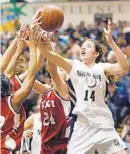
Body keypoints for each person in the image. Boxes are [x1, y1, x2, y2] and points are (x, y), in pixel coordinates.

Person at [35, 17, 129, 154]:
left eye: (88, 46)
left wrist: (111, 43)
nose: (84, 47)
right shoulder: (75, 66)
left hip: (103, 124)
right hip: (82, 126)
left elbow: (124, 67)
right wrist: (41, 43)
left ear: (96, 54)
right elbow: (51, 57)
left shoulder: (102, 68)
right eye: (83, 46)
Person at [0, 25, 38, 154]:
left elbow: (5, 72)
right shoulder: (13, 101)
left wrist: (17, 46)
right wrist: (33, 48)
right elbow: (32, 74)